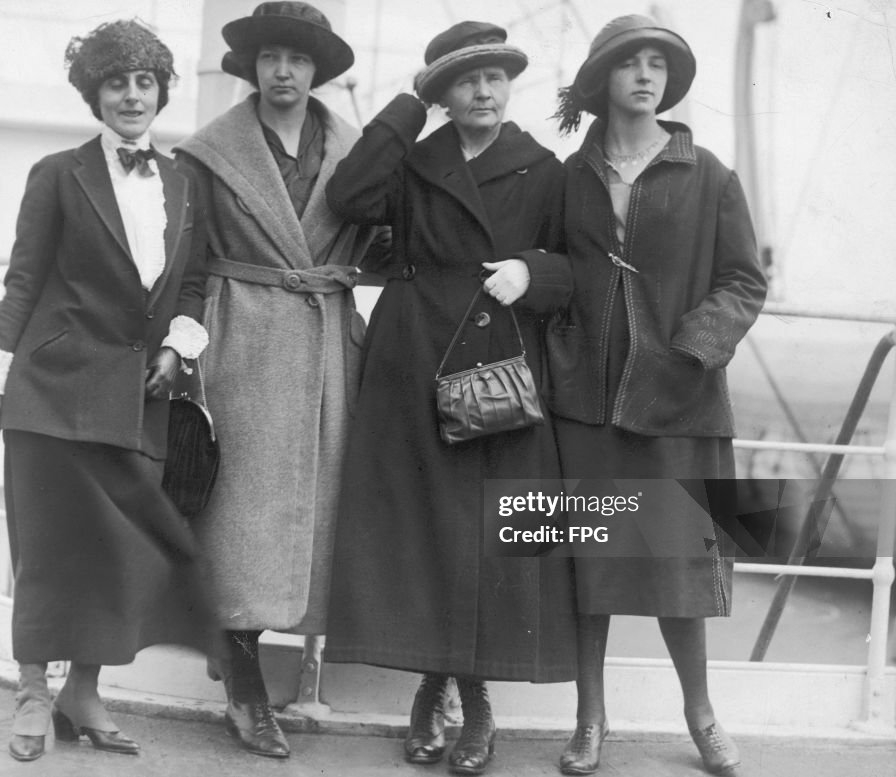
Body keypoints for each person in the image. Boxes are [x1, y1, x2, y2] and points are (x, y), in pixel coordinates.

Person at [324, 22, 576, 776]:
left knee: (482, 529)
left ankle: (475, 698)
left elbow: (577, 267)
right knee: (420, 523)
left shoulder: (544, 168)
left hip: (495, 361)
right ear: (440, 93)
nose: (485, 91)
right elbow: (350, 194)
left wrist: (533, 271)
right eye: (466, 80)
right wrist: (406, 108)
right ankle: (431, 685)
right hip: (410, 355)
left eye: (496, 77)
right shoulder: (413, 159)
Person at [0, 20, 208, 762]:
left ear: (161, 92)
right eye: (116, 82)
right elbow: (20, 286)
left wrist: (178, 344)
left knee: (119, 552)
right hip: (52, 391)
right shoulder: (57, 174)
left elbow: (193, 284)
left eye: (144, 82)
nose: (132, 96)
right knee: (47, 546)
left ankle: (84, 690)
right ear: (94, 94)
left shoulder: (184, 182)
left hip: (138, 396)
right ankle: (35, 691)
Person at [548, 15, 767, 776]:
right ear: (602, 77)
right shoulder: (568, 175)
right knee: (588, 561)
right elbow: (549, 270)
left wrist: (695, 345)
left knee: (681, 562)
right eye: (630, 63)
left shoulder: (708, 173)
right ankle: (589, 719)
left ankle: (701, 715)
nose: (646, 76)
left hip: (680, 395)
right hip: (588, 396)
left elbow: (744, 280)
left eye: (658, 64)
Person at [174, 1, 384, 759]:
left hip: (326, 338)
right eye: (270, 58)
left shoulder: (358, 151)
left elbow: (388, 241)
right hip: (242, 338)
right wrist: (187, 344)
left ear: (318, 69)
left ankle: (256, 660)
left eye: (297, 59)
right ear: (251, 67)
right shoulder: (210, 150)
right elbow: (188, 262)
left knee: (309, 510)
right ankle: (243, 679)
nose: (283, 72)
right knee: (240, 510)